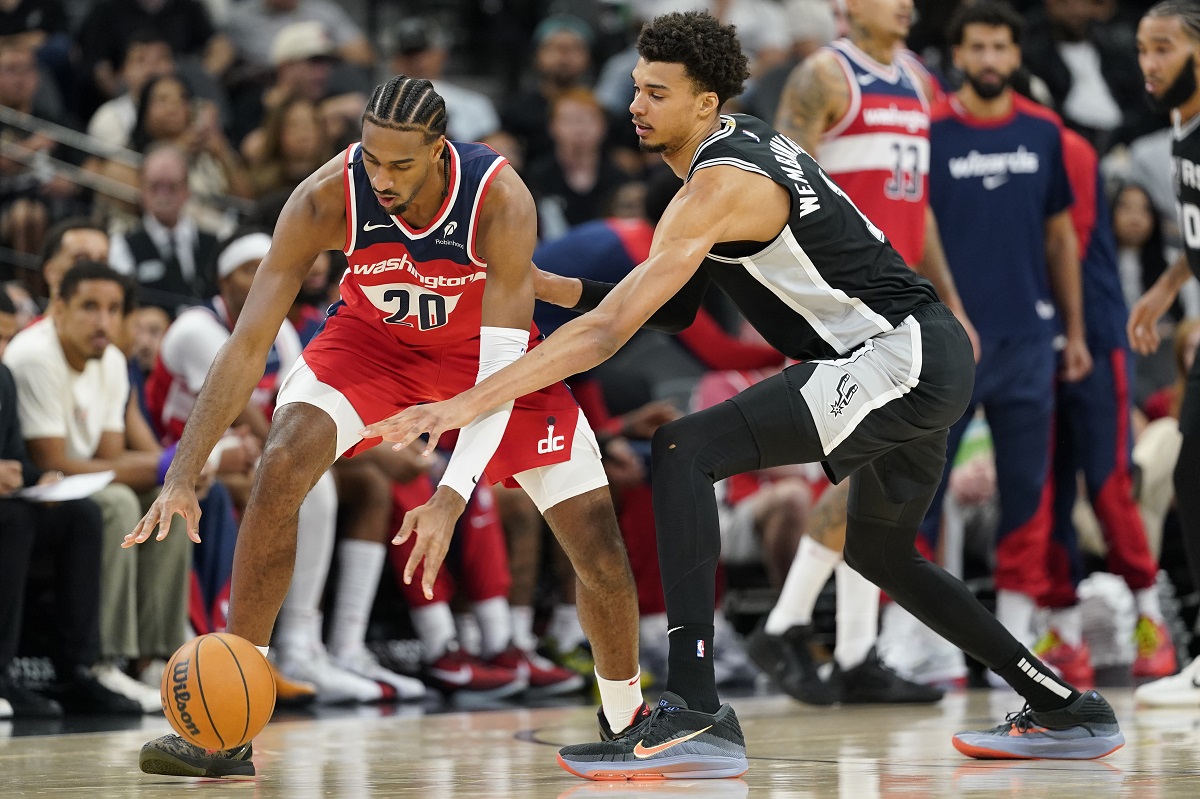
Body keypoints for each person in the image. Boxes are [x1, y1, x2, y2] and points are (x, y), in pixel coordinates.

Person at [368, 11, 1124, 777]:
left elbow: (607, 333)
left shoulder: (716, 187)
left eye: (656, 93)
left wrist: (464, 403)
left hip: (894, 354)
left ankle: (694, 709)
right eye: (637, 87)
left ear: (705, 102)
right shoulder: (739, 142)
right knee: (879, 550)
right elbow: (675, 307)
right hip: (924, 351)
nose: (635, 105)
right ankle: (1065, 706)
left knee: (682, 448)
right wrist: (538, 283)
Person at [126, 75, 641, 778]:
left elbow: (497, 375)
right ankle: (231, 721)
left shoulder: (501, 199)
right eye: (371, 159)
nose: (383, 179)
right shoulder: (326, 196)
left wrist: (450, 496)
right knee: (283, 458)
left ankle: (626, 721)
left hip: (486, 363)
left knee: (597, 542)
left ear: (439, 150)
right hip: (374, 346)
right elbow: (246, 344)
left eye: (401, 164)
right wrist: (183, 472)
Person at [748, 0, 976, 704]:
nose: (906, 4)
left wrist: (949, 300)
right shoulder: (823, 75)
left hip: (902, 300)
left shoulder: (920, 79)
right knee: (862, 469)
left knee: (878, 472)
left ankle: (852, 652)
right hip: (844, 299)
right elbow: (778, 188)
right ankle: (788, 627)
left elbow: (918, 202)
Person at [1129, 0, 1200, 706]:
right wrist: (1167, 285)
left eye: (1164, 48)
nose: (1148, 64)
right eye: (1143, 50)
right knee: (1189, 474)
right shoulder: (1181, 129)